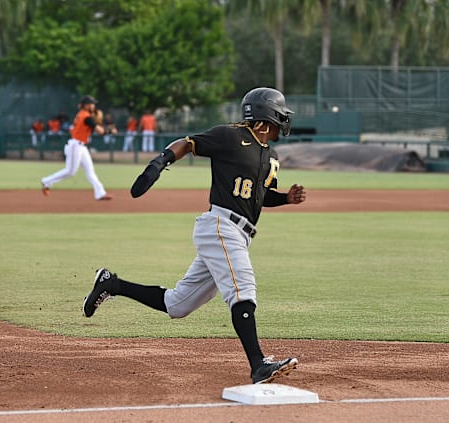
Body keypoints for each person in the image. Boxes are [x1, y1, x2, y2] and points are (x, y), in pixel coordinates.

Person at [82, 87, 306, 384]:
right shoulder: (230, 136)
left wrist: (285, 199)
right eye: (281, 113)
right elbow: (188, 143)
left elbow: (260, 196)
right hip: (220, 226)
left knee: (178, 305)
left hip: (238, 233)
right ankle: (258, 364)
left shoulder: (270, 154)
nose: (284, 120)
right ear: (267, 115)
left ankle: (112, 283)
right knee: (243, 289)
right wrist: (159, 163)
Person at [41, 95, 112, 201]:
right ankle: (47, 181)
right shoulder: (87, 117)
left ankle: (100, 193)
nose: (93, 106)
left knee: (90, 171)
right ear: (86, 105)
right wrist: (110, 130)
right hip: (76, 146)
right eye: (91, 104)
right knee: (70, 171)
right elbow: (100, 132)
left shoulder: (82, 114)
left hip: (81, 146)